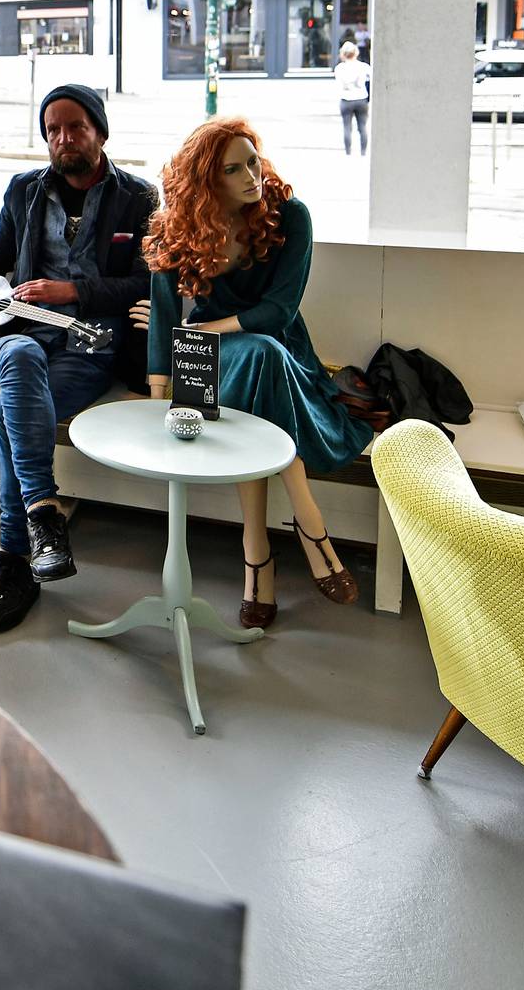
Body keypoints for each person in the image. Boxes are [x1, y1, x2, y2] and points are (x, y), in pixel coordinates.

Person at [0, 83, 157, 633]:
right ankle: (42, 515)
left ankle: (14, 560)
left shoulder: (138, 198)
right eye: (53, 130)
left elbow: (143, 281)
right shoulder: (24, 190)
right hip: (24, 335)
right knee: (15, 356)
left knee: (6, 414)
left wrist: (73, 292)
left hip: (89, 341)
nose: (64, 139)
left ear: (100, 132)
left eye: (75, 127)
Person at [143, 118, 368, 628]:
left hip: (282, 354)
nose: (252, 175)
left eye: (253, 161)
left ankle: (257, 553)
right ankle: (311, 531)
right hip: (208, 363)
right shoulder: (175, 225)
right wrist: (159, 393)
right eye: (233, 169)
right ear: (206, 181)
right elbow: (162, 316)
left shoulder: (291, 216)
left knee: (263, 352)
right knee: (257, 359)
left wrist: (209, 331)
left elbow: (279, 312)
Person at [334, 41, 371, 156]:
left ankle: (348, 152)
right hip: (361, 99)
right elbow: (370, 79)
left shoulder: (339, 68)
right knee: (362, 127)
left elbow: (338, 84)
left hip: (346, 99)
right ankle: (363, 152)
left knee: (347, 127)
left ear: (343, 54)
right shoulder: (363, 66)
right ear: (356, 53)